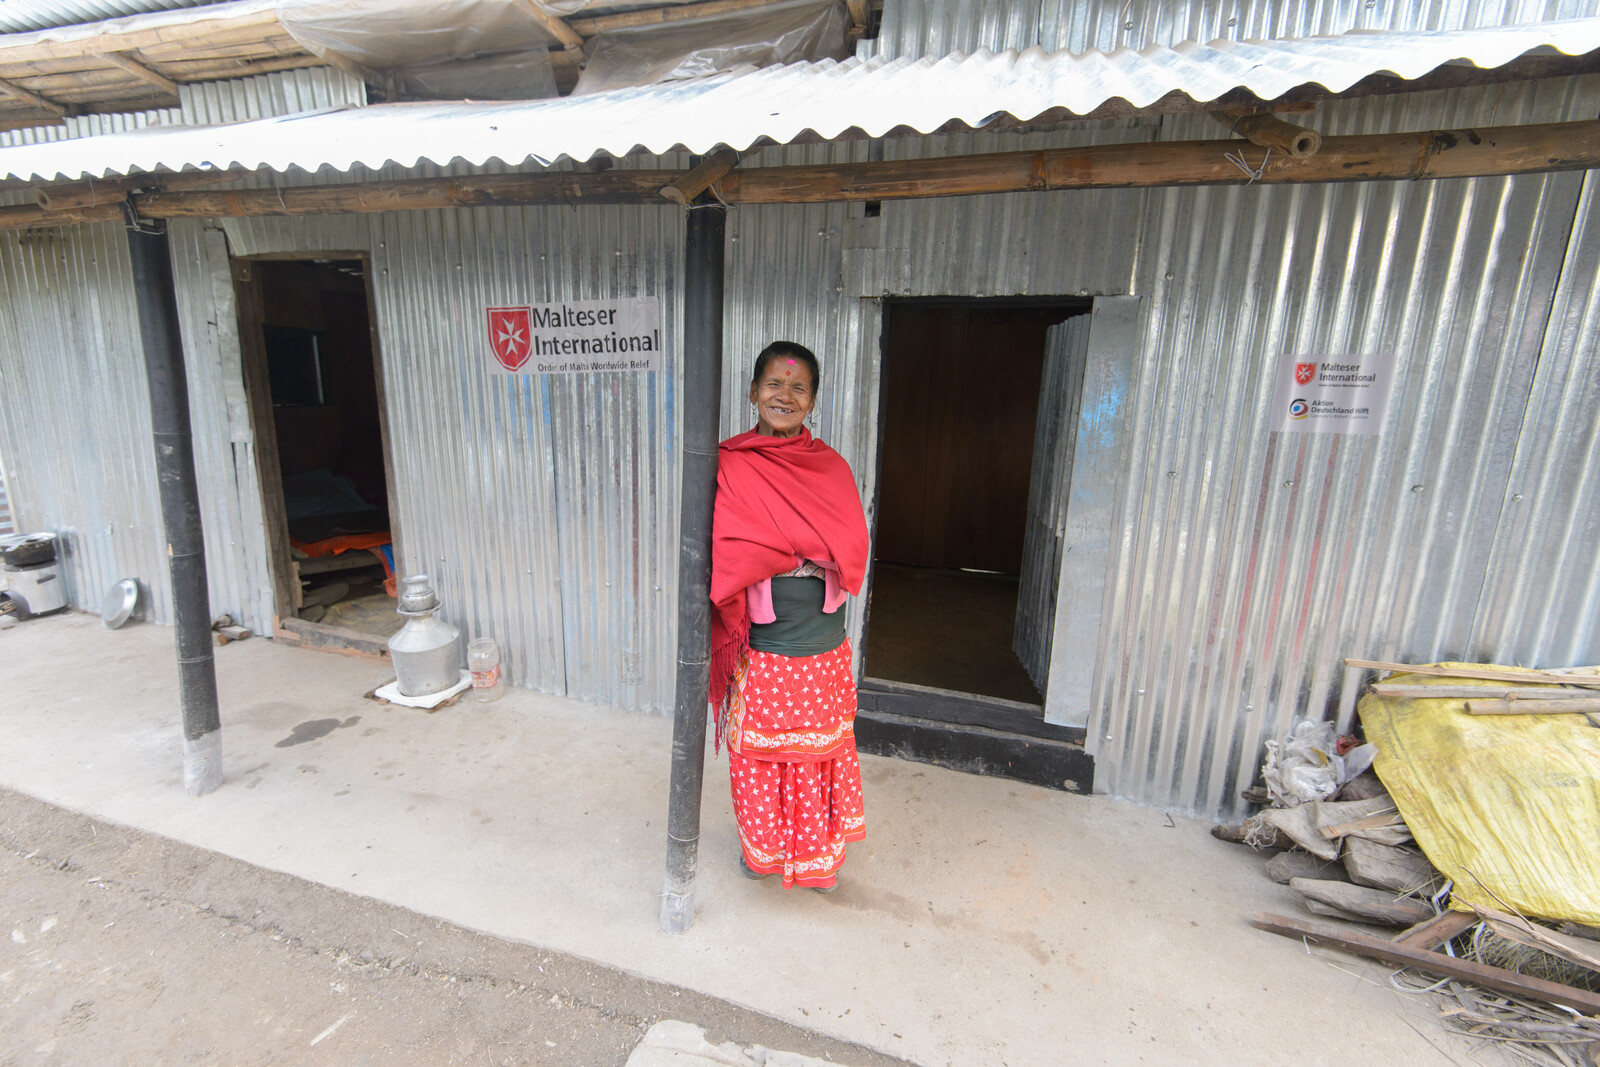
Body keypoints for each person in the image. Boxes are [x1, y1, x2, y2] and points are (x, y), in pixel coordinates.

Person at [709, 341, 870, 892]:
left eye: (798, 387)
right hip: (762, 643)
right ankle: (767, 855)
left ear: (813, 401)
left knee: (816, 751)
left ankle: (816, 859)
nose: (785, 395)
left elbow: (849, 550)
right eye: (774, 385)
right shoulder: (731, 462)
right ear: (753, 393)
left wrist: (779, 550)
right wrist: (798, 550)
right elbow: (730, 547)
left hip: (820, 644)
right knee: (760, 753)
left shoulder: (831, 469)